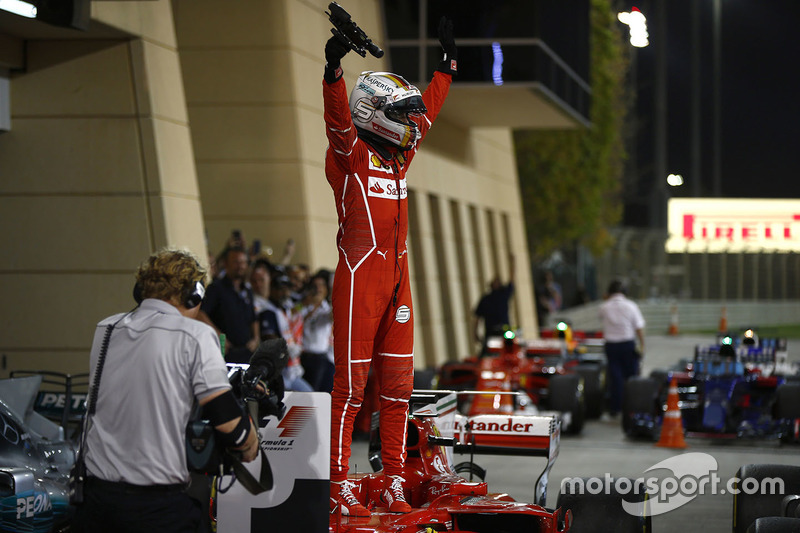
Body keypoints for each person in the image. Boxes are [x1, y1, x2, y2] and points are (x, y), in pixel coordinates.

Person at [323, 16, 457, 516]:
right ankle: (338, 481)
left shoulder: (400, 158)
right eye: (400, 113)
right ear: (373, 113)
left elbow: (430, 112)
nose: (410, 121)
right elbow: (336, 121)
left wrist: (448, 65)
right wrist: (333, 71)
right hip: (360, 283)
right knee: (351, 390)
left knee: (399, 389)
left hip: (399, 286)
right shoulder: (350, 158)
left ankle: (393, 478)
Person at [74, 249, 258, 533]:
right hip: (157, 508)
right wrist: (249, 443)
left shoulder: (106, 328)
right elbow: (226, 419)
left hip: (97, 502)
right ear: (193, 295)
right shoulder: (195, 335)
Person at [198, 246, 259, 363]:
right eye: (236, 262)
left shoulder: (247, 290)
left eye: (243, 262)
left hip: (248, 352)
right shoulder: (216, 288)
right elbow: (201, 313)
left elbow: (253, 317)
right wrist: (218, 336)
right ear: (225, 264)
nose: (240, 266)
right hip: (227, 354)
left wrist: (256, 338)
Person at [598, 279, 646, 417]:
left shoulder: (604, 307)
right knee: (631, 377)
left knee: (615, 378)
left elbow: (600, 317)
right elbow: (639, 327)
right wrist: (642, 345)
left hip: (611, 346)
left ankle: (615, 409)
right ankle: (633, 408)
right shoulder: (631, 306)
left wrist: (605, 299)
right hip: (627, 344)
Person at [299, 271, 335, 392]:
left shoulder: (327, 308)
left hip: (319, 358)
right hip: (302, 356)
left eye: (321, 286)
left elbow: (332, 316)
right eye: (315, 286)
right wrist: (310, 304)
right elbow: (293, 318)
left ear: (326, 290)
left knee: (316, 394)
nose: (318, 289)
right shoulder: (302, 305)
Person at [473, 254, 515, 355]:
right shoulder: (485, 299)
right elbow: (477, 317)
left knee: (510, 351)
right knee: (486, 354)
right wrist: (475, 333)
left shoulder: (504, 294)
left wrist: (513, 263)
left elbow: (512, 279)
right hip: (490, 332)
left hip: (504, 330)